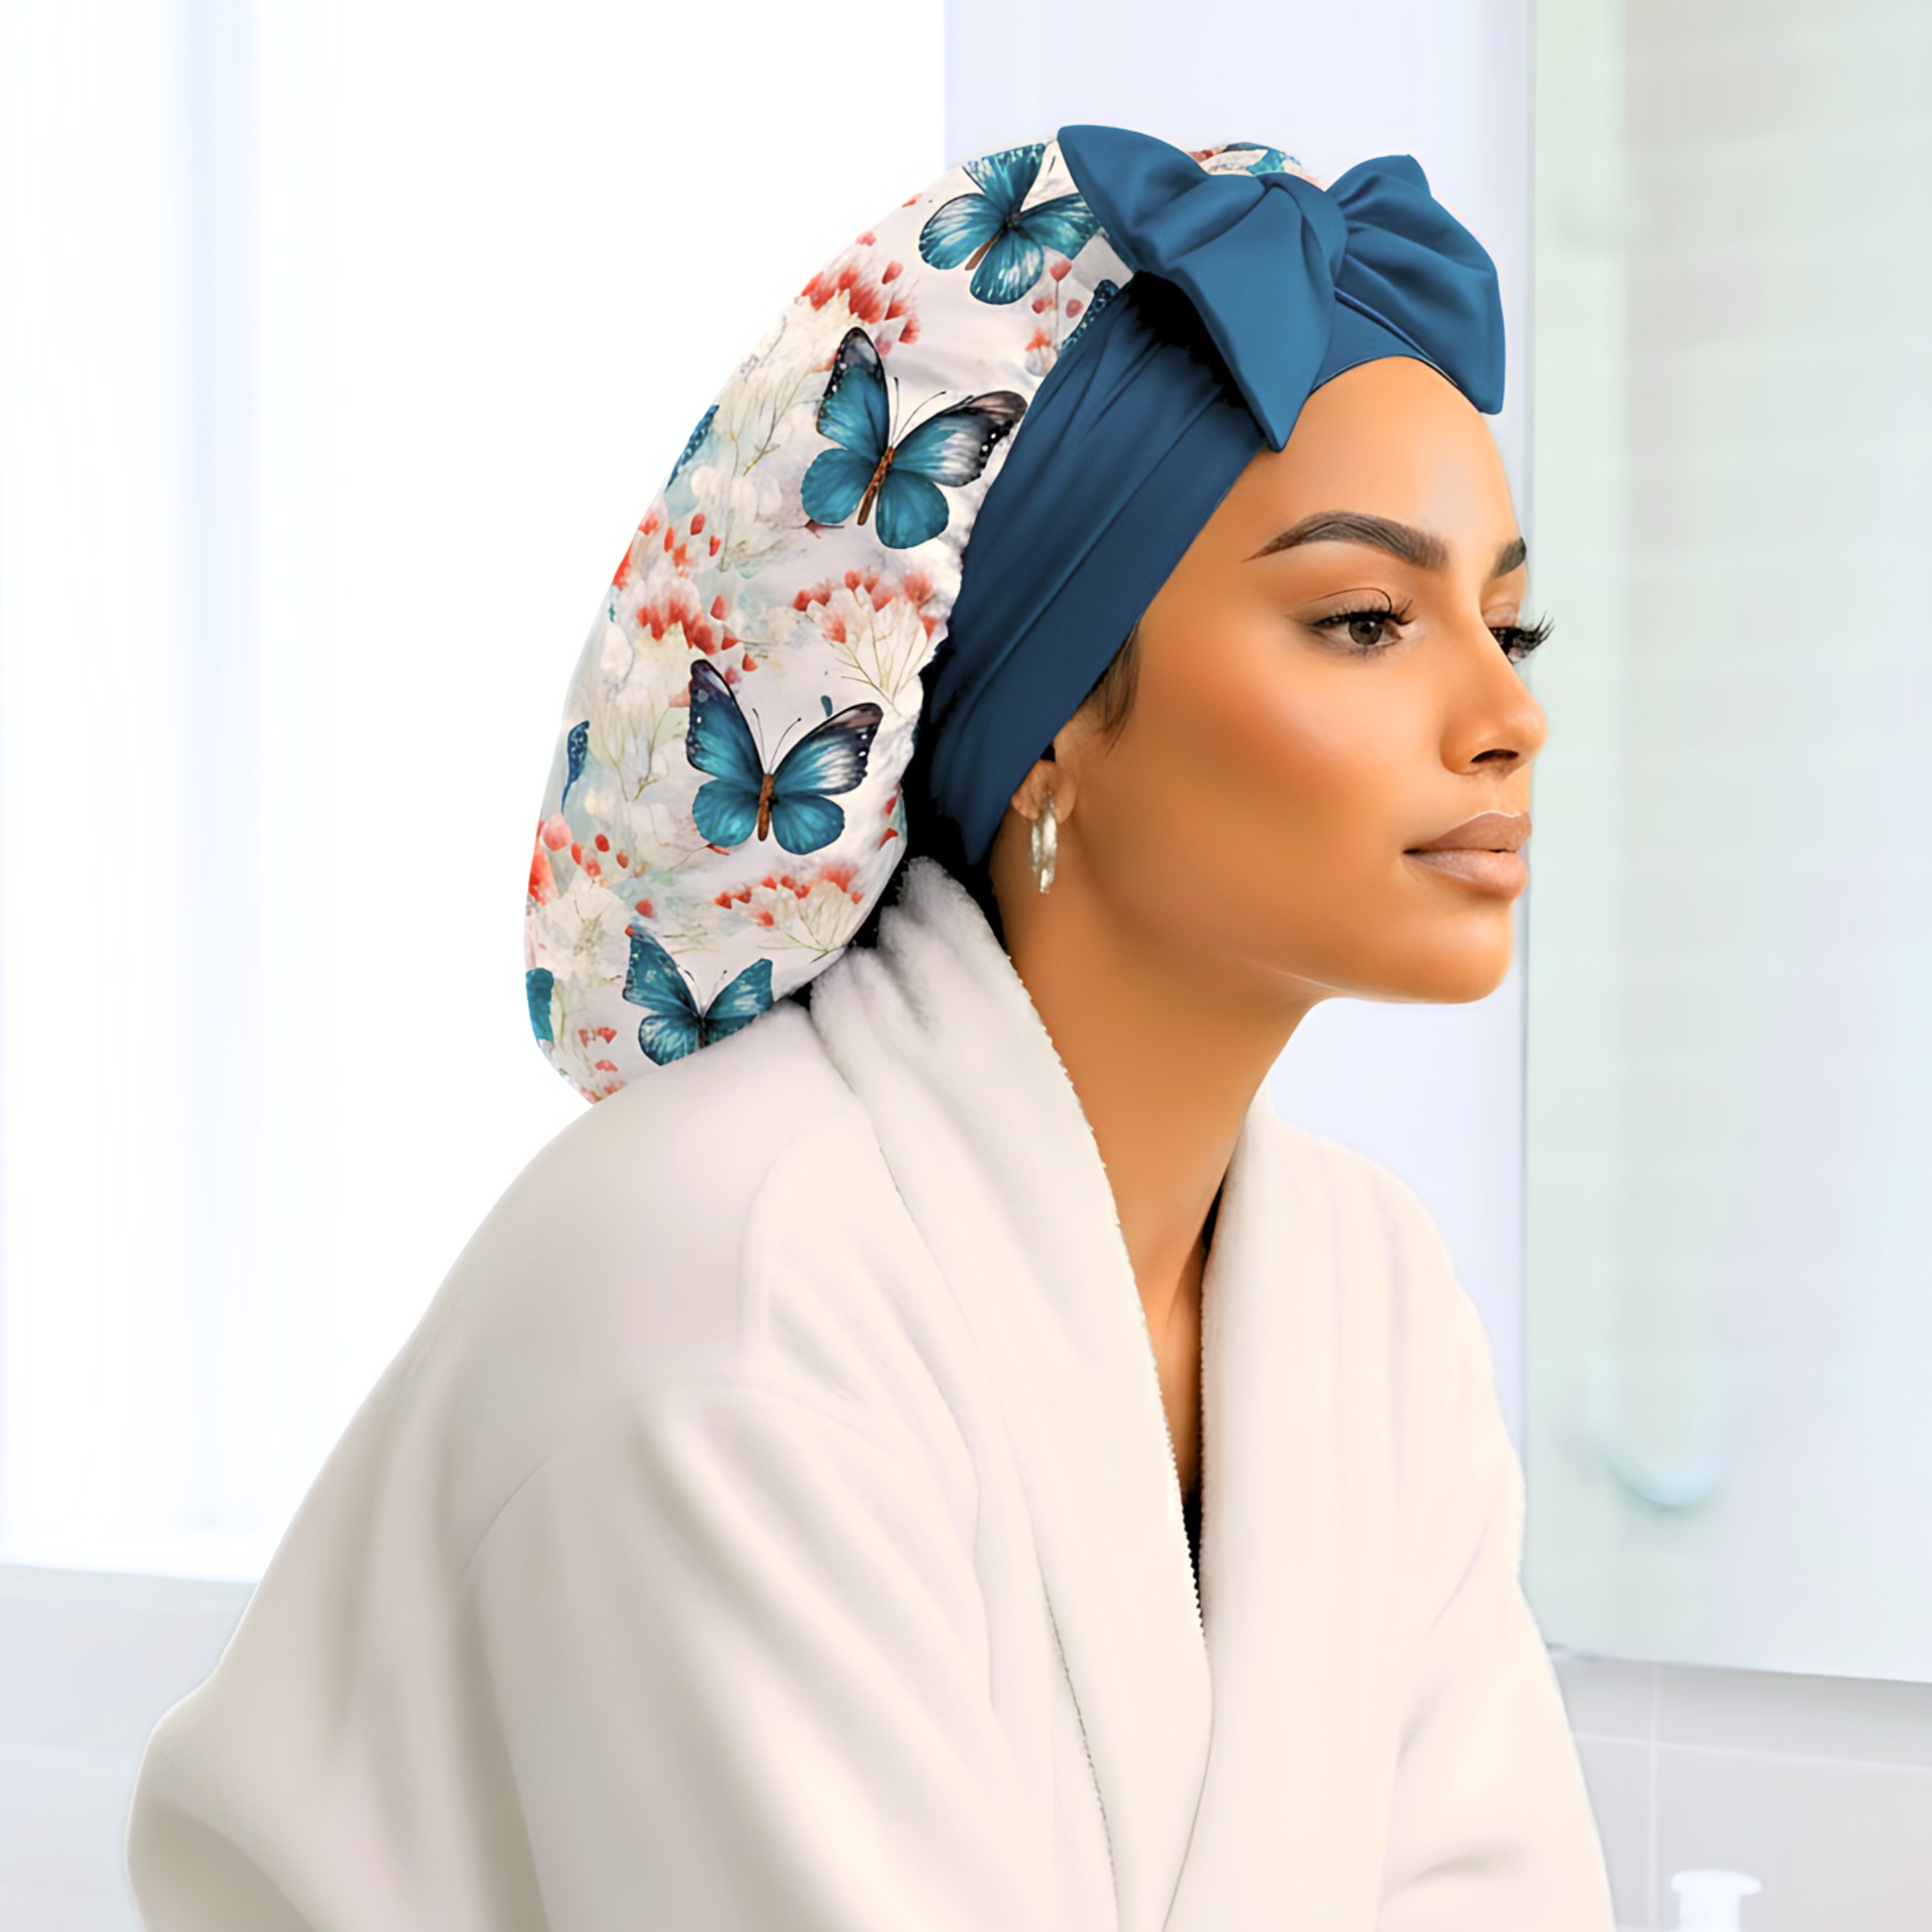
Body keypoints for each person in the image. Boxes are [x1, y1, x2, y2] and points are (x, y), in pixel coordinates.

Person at [124, 124, 1616, 1930]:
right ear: (1055, 719)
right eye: (1365, 618)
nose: (1502, 718)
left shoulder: (1367, 1305)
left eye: (1509, 628)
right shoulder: (728, 1286)